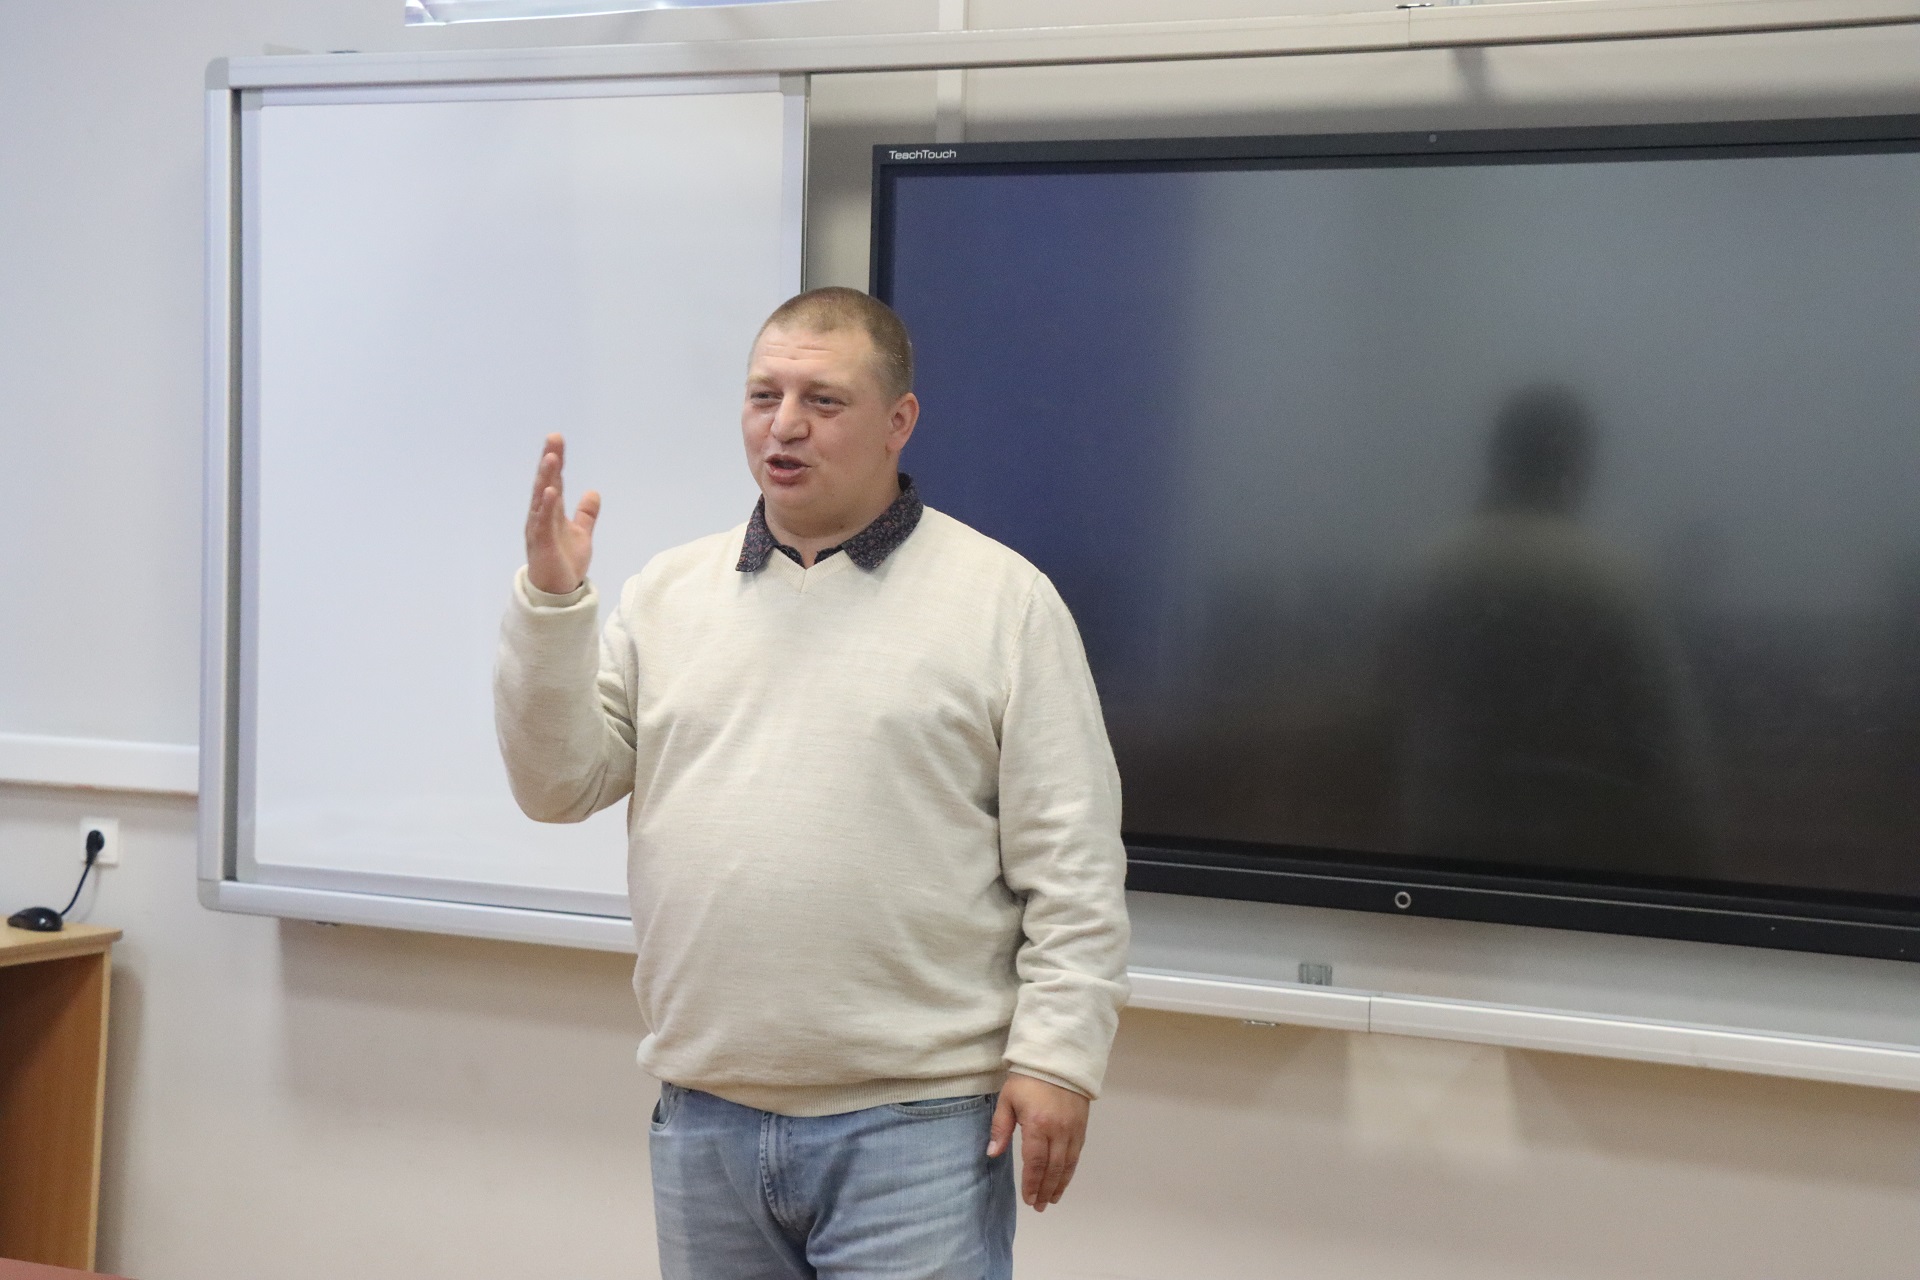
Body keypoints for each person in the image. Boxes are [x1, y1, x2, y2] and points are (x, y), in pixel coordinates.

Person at [493, 287, 1131, 1280]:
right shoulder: (667, 593)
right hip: (705, 1115)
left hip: (919, 1125)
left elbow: (1075, 862)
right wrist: (551, 603)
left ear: (898, 420)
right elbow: (557, 785)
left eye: (823, 401)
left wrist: (1057, 1057)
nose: (783, 425)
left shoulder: (1004, 601)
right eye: (764, 395)